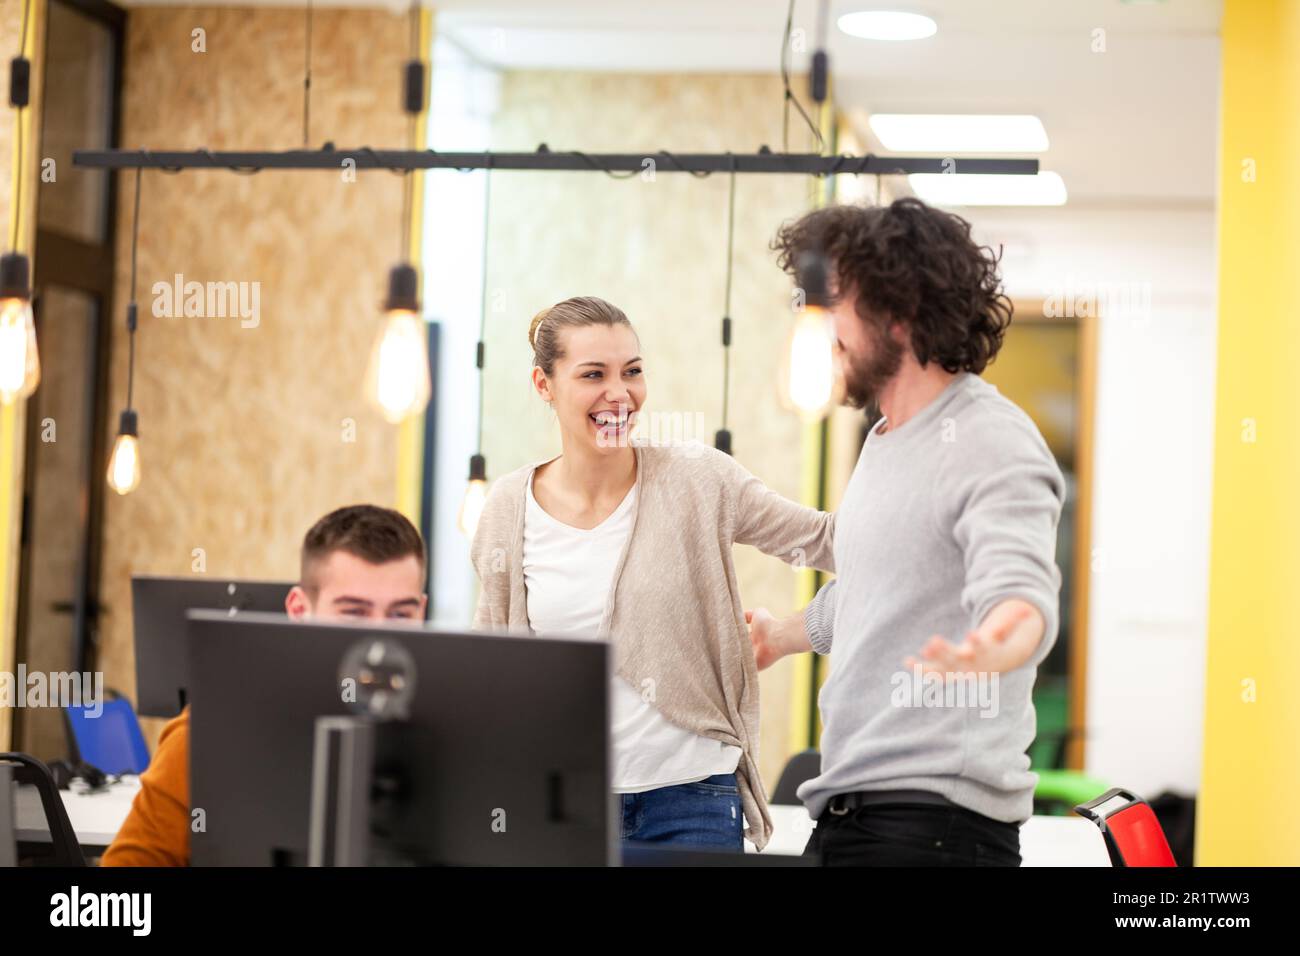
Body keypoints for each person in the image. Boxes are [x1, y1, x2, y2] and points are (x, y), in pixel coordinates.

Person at [749, 197, 1066, 866]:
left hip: (935, 827)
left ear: (900, 315)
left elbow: (1020, 593)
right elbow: (882, 581)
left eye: (838, 305)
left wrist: (994, 645)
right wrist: (781, 635)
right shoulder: (885, 440)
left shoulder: (989, 439)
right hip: (854, 814)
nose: (825, 328)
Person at [470, 296, 833, 851]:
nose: (620, 394)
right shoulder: (506, 507)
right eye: (594, 374)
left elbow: (826, 542)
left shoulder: (697, 478)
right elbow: (492, 667)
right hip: (558, 805)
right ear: (544, 385)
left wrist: (798, 629)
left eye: (632, 372)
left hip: (691, 803)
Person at [100, 504, 427, 866]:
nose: (378, 642)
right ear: (300, 611)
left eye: (400, 614)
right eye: (353, 612)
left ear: (421, 612)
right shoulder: (212, 730)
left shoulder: (449, 738)